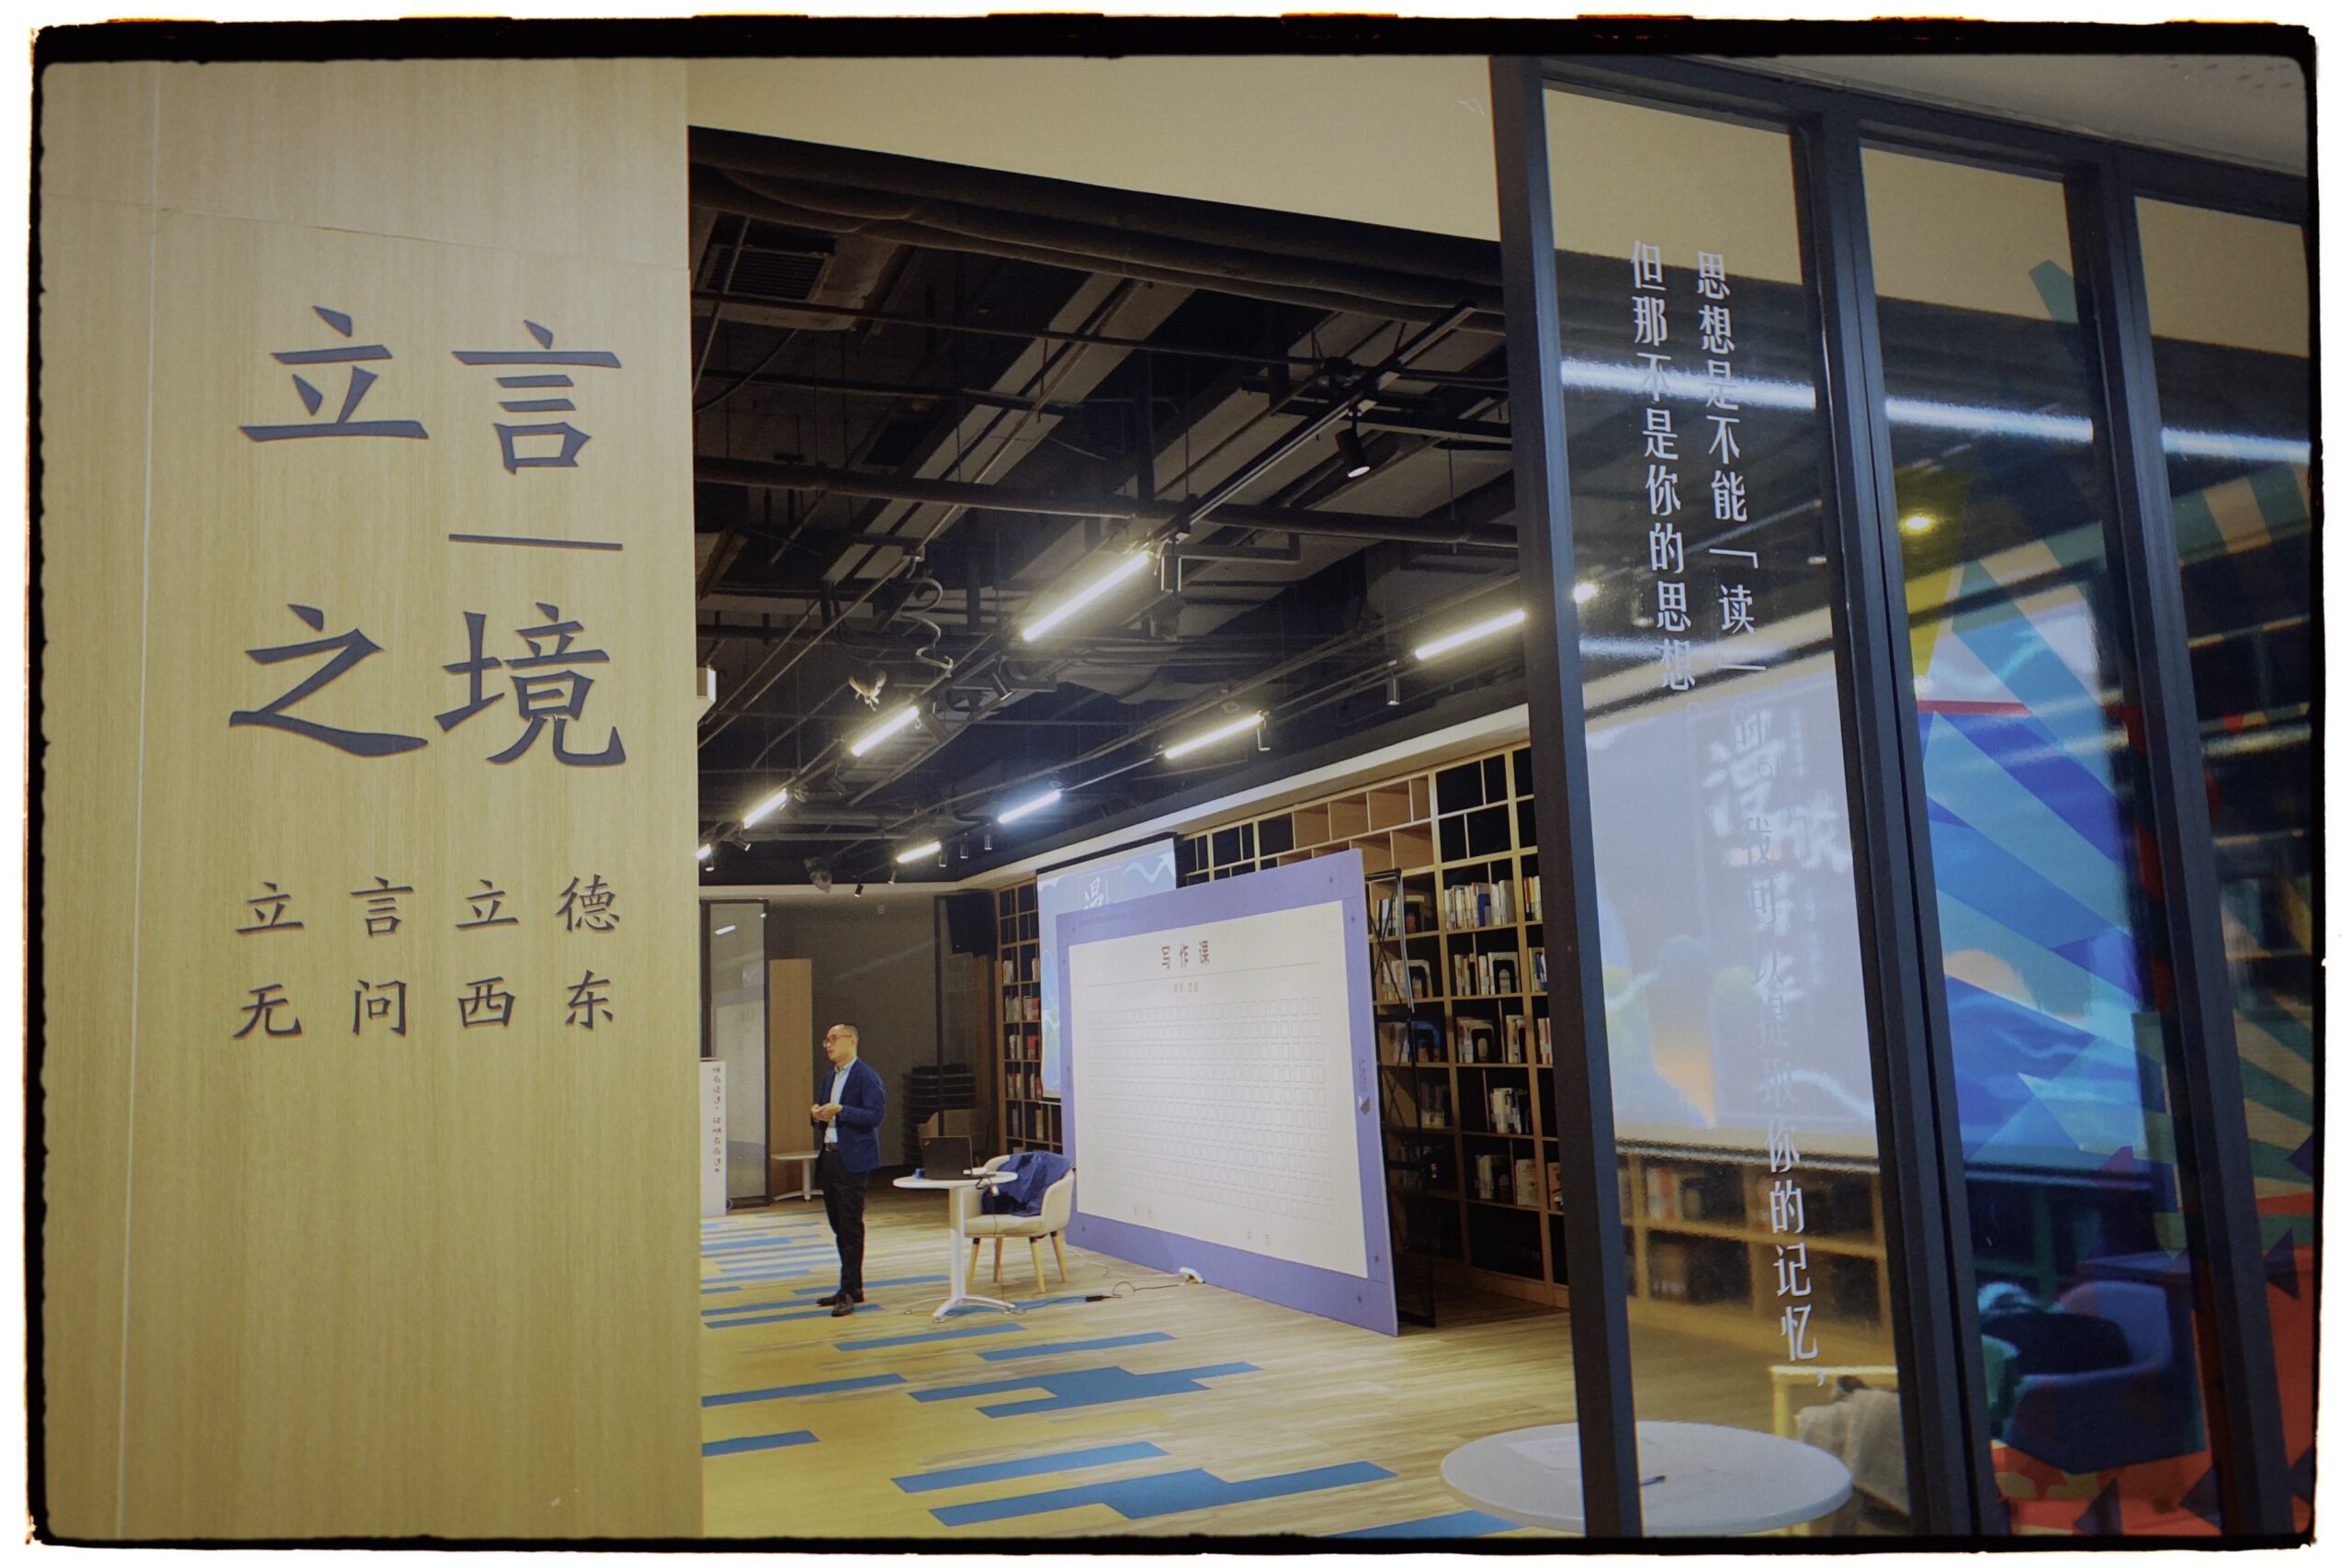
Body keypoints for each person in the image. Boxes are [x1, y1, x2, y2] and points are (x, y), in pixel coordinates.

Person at [810, 1022, 887, 1317]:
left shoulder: (866, 1076)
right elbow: (822, 1116)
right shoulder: (829, 1078)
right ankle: (853, 1286)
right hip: (829, 1155)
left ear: (851, 1040)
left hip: (852, 1159)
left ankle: (848, 1289)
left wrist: (841, 1110)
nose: (828, 1045)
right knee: (838, 1225)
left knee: (850, 1224)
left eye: (833, 1039)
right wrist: (817, 1114)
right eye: (826, 1040)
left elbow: (875, 1115)